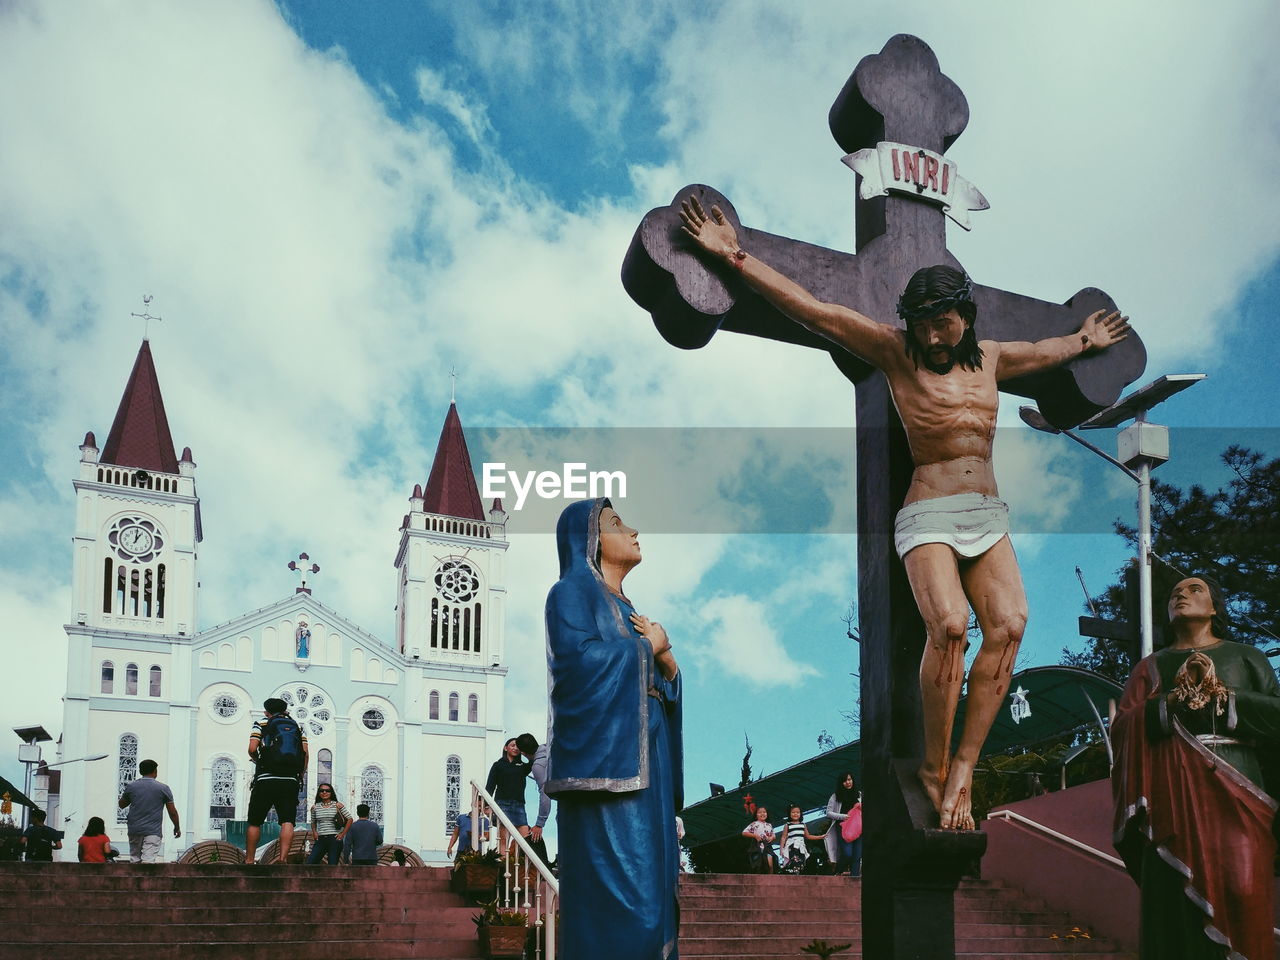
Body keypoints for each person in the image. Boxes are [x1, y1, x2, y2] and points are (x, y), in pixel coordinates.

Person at [680, 199, 1130, 830]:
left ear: (964, 318)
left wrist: (1086, 339)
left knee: (1010, 625)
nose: (932, 336)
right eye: (921, 325)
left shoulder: (994, 359)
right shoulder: (896, 353)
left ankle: (965, 770)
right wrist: (732, 254)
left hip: (986, 512)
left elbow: (1048, 350)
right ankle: (936, 767)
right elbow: (815, 309)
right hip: (928, 512)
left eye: (943, 324)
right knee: (948, 626)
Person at [1113, 576, 1280, 959]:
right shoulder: (1150, 668)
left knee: (1243, 889)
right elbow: (1123, 727)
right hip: (1170, 801)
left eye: (1194, 589)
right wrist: (1173, 699)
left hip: (1240, 787)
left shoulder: (1246, 656)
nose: (1180, 594)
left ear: (1215, 609)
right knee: (1172, 897)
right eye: (1175, 593)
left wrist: (1221, 694)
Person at [545, 499, 683, 960]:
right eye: (617, 523)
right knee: (629, 899)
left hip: (649, 758)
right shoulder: (569, 593)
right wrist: (648, 646)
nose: (634, 530)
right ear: (590, 540)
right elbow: (575, 666)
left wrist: (665, 661)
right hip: (608, 764)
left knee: (657, 889)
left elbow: (661, 681)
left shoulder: (627, 607)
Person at [244, 697, 308, 864]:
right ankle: (283, 859)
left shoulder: (262, 723)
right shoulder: (298, 726)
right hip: (289, 780)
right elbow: (305, 753)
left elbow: (252, 748)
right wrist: (301, 773)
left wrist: (258, 760)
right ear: (285, 709)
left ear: (267, 711)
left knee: (255, 821)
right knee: (287, 820)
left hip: (265, 778)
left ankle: (249, 860)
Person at [117, 758, 180, 862]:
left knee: (135, 859)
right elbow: (172, 812)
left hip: (134, 829)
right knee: (148, 861)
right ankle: (146, 878)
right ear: (155, 772)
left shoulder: (131, 786)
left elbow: (122, 804)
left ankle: (134, 878)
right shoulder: (163, 788)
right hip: (153, 830)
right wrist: (177, 827)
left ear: (141, 771)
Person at [485, 737, 531, 853]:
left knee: (526, 840)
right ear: (506, 748)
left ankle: (522, 869)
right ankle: (502, 869)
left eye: (518, 747)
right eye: (513, 745)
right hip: (503, 805)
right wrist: (486, 805)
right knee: (503, 841)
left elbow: (533, 761)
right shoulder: (498, 765)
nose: (515, 748)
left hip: (519, 806)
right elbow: (490, 786)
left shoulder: (522, 766)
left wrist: (525, 751)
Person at [515, 732, 552, 864]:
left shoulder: (538, 766)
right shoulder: (549, 749)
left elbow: (545, 793)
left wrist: (539, 824)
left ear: (523, 753)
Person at [824, 772, 862, 877]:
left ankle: (854, 878)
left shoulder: (858, 794)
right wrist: (842, 816)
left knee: (857, 855)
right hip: (843, 826)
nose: (848, 782)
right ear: (841, 783)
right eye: (845, 781)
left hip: (858, 827)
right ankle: (838, 870)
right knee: (847, 853)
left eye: (849, 779)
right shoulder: (835, 796)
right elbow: (828, 812)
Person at [306, 782, 348, 865]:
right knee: (310, 863)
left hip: (334, 839)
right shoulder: (315, 807)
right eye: (322, 791)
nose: (324, 792)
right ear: (319, 793)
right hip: (320, 839)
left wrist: (342, 834)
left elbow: (350, 819)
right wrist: (314, 832)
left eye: (327, 791)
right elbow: (313, 821)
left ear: (331, 792)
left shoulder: (337, 805)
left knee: (332, 865)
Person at [778, 804, 821, 874]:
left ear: (800, 814)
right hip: (791, 846)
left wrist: (820, 837)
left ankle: (798, 876)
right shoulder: (787, 825)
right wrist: (781, 849)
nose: (795, 814)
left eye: (797, 812)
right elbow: (783, 837)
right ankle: (792, 875)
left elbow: (808, 836)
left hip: (801, 847)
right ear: (789, 814)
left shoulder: (803, 825)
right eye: (793, 812)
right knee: (794, 861)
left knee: (801, 862)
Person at [741, 806, 777, 874]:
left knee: (770, 865)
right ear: (756, 815)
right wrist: (755, 836)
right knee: (759, 865)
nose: (762, 814)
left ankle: (770, 880)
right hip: (757, 846)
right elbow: (744, 832)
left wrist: (772, 837)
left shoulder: (769, 825)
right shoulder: (754, 824)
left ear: (767, 814)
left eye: (764, 812)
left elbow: (774, 835)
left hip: (767, 846)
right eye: (760, 812)